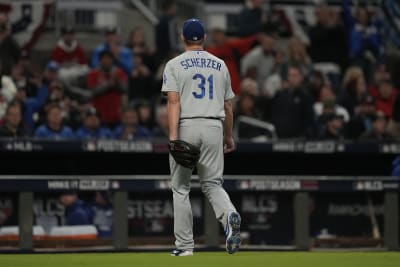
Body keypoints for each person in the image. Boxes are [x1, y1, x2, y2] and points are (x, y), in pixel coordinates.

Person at [161, 18, 241, 256]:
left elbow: (173, 101)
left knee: (181, 188)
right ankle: (229, 217)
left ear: (183, 38)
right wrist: (229, 136)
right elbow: (228, 107)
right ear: (204, 38)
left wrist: (174, 137)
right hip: (213, 126)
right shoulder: (220, 64)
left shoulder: (174, 64)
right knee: (213, 184)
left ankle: (185, 247)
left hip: (186, 125)